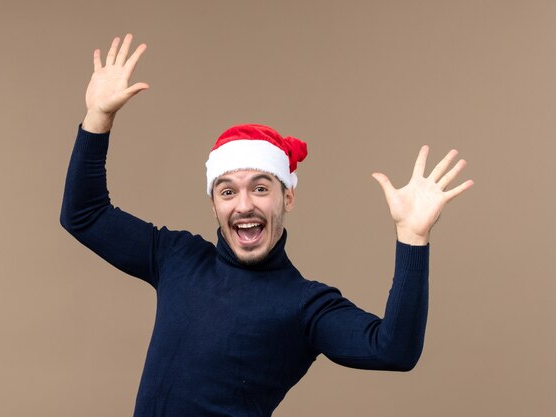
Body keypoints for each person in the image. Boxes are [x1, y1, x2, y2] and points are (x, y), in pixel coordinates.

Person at [60, 33, 474, 417]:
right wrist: (98, 116)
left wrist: (413, 239)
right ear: (214, 205)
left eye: (260, 188)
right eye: (227, 192)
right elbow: (84, 215)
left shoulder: (305, 305)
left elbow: (394, 351)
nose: (244, 205)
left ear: (287, 197)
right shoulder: (177, 258)